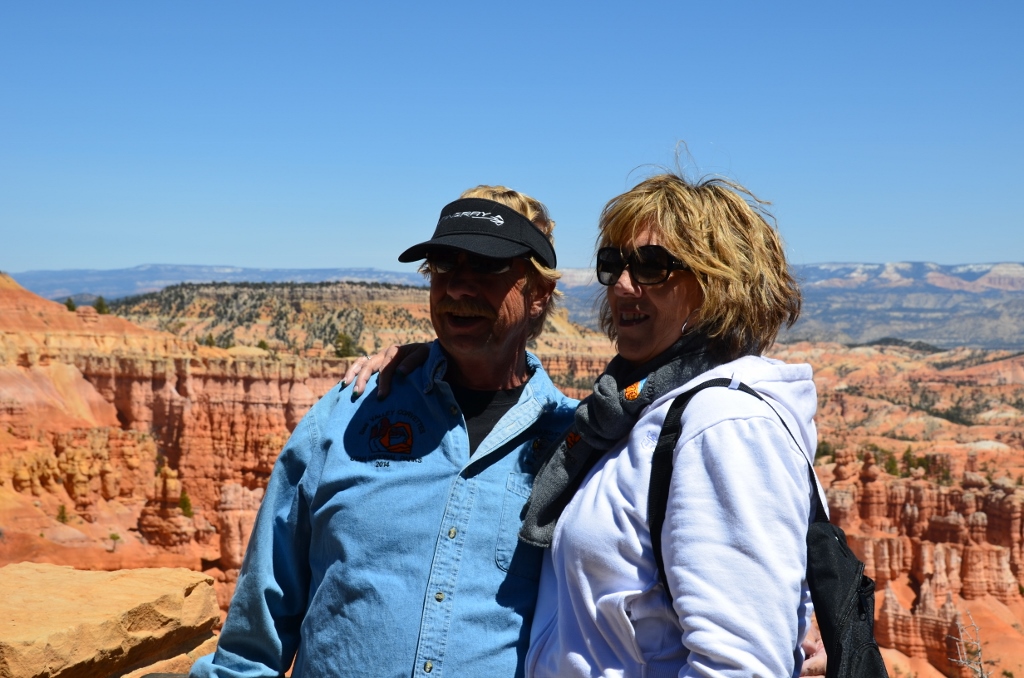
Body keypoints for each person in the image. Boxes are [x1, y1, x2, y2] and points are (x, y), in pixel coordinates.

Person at [357, 172, 827, 677]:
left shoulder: (726, 425)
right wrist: (430, 361)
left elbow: (740, 665)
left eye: (652, 267)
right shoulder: (630, 409)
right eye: (614, 264)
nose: (623, 285)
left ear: (718, 285)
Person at [189, 186, 577, 678]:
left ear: (539, 292)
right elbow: (258, 626)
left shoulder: (572, 445)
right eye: (443, 266)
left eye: (486, 266)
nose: (458, 287)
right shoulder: (350, 412)